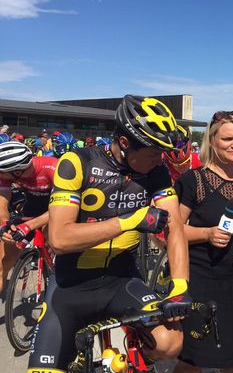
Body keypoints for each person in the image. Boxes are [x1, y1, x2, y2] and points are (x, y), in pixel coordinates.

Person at [27, 95, 191, 372]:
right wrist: (129, 221)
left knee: (170, 343)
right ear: (125, 143)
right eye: (153, 152)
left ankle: (133, 363)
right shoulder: (77, 162)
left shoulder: (157, 172)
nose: (160, 159)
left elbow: (175, 227)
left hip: (122, 281)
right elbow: (60, 239)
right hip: (71, 285)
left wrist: (180, 285)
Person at [174, 109, 233, 373]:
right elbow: (170, 232)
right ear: (212, 141)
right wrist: (206, 233)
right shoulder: (193, 180)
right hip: (205, 283)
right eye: (228, 139)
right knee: (193, 357)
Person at [0, 142, 57, 294]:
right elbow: (2, 203)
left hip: (57, 209)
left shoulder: (53, 168)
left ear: (17, 172)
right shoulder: (9, 172)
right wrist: (5, 225)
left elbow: (62, 208)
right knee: (3, 262)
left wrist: (29, 226)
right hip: (31, 209)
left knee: (52, 236)